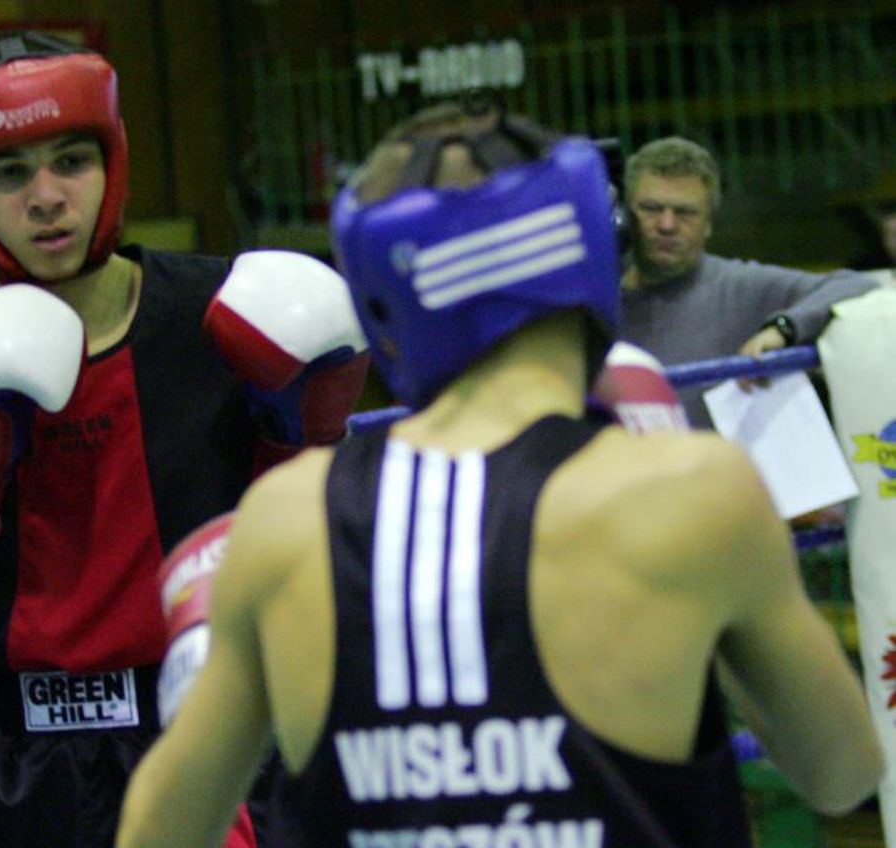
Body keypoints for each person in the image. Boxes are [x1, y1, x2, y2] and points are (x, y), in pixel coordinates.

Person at [114, 103, 883, 848]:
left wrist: (198, 661)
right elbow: (842, 773)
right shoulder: (691, 495)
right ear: (593, 254)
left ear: (384, 305)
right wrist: (720, 603)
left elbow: (161, 835)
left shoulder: (285, 523)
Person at [0, 30, 368, 848]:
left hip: (207, 752)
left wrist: (299, 441)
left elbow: (336, 590)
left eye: (72, 160)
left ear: (114, 159)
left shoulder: (230, 316)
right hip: (7, 775)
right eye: (9, 172)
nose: (48, 196)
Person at [620, 135, 876, 428]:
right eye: (651, 208)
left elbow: (857, 287)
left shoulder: (738, 286)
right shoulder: (595, 296)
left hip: (713, 470)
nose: (667, 225)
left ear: (709, 224)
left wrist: (782, 329)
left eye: (685, 212)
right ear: (626, 215)